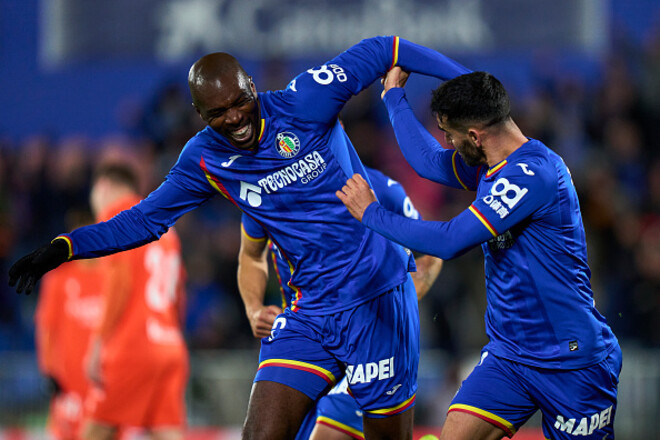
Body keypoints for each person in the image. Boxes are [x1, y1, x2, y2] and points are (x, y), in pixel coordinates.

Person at [9, 36, 469, 440]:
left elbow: (386, 48)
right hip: (309, 313)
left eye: (239, 101)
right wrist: (66, 247)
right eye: (218, 113)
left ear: (251, 84)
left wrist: (469, 83)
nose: (234, 118)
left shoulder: (306, 100)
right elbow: (144, 220)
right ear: (199, 115)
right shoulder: (204, 159)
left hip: (376, 302)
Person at [337, 66, 622, 440]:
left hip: (571, 359)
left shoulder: (533, 175)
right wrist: (393, 96)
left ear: (474, 135)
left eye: (450, 135)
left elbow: (450, 241)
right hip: (510, 356)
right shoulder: (490, 163)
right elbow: (427, 161)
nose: (448, 143)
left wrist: (372, 214)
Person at [238, 165, 443, 440]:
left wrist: (398, 300)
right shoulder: (266, 191)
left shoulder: (378, 187)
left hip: (366, 338)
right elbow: (251, 256)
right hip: (307, 336)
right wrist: (253, 309)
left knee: (328, 434)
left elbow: (431, 252)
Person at [81, 163, 188, 440]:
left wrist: (98, 342)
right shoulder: (165, 225)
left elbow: (119, 284)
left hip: (133, 347)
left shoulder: (115, 217)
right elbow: (179, 294)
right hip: (169, 344)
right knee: (167, 431)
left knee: (96, 429)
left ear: (103, 186)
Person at [35, 211, 103, 440]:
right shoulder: (58, 279)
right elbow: (46, 327)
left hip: (103, 381)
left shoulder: (112, 276)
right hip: (68, 383)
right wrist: (48, 371)